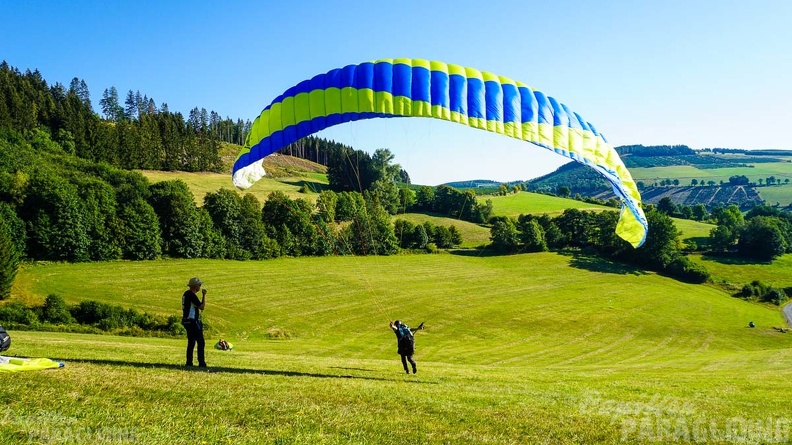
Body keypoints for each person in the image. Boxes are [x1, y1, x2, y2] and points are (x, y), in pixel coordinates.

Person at [182, 277, 207, 368]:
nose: (200, 287)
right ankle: (201, 362)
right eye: (199, 285)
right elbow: (201, 307)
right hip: (192, 320)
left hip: (186, 320)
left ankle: (189, 362)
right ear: (195, 286)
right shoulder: (191, 295)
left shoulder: (185, 294)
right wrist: (204, 295)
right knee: (201, 341)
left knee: (191, 342)